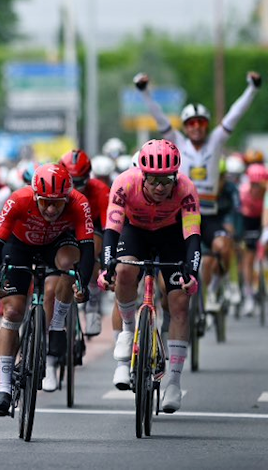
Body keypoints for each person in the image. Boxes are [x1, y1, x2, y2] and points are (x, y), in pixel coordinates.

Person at [134, 71, 261, 314]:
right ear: (185, 127)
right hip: (181, 213)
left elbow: (234, 115)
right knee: (172, 264)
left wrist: (252, 89)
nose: (196, 128)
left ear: (207, 125)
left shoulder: (215, 141)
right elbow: (160, 118)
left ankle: (216, 287)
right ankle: (172, 310)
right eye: (191, 124)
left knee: (224, 247)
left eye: (201, 123)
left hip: (210, 214)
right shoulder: (178, 142)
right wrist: (144, 93)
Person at [98, 139, 201, 412]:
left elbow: (192, 234)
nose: (159, 187)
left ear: (175, 177)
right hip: (135, 232)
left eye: (166, 180)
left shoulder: (186, 188)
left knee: (179, 302)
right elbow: (112, 228)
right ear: (142, 174)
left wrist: (192, 270)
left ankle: (174, 383)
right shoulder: (125, 183)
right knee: (124, 270)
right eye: (153, 180)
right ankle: (129, 331)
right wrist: (107, 266)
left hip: (170, 234)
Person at [0, 163, 94, 415]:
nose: (50, 209)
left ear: (67, 197)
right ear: (35, 195)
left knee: (69, 265)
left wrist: (82, 284)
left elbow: (87, 248)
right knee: (13, 311)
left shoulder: (79, 202)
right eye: (45, 202)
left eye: (57, 203)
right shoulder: (18, 200)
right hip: (19, 246)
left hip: (57, 245)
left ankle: (57, 325)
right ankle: (3, 387)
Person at [60, 149, 111, 336]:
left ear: (89, 177)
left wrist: (106, 262)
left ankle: (93, 303)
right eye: (71, 182)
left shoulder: (101, 190)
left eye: (80, 183)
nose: (75, 189)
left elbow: (108, 229)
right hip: (65, 226)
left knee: (94, 247)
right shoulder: (57, 187)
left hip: (92, 225)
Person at [239, 163, 267, 315]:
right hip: (247, 219)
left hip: (263, 218)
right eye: (254, 185)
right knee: (248, 256)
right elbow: (239, 218)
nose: (257, 189)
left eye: (260, 185)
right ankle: (249, 293)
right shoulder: (243, 193)